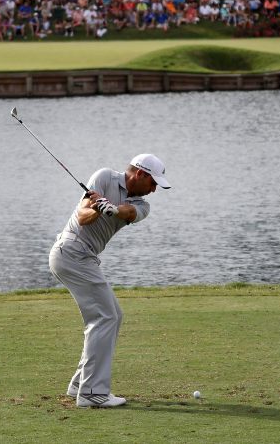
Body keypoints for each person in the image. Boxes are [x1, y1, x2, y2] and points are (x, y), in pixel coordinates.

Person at [48, 154, 171, 409]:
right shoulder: (104, 177)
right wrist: (96, 206)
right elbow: (82, 217)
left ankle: (80, 383)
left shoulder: (142, 205)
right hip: (71, 252)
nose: (154, 189)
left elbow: (128, 212)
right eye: (153, 183)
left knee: (112, 315)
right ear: (140, 174)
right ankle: (92, 393)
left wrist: (112, 209)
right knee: (105, 317)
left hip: (83, 257)